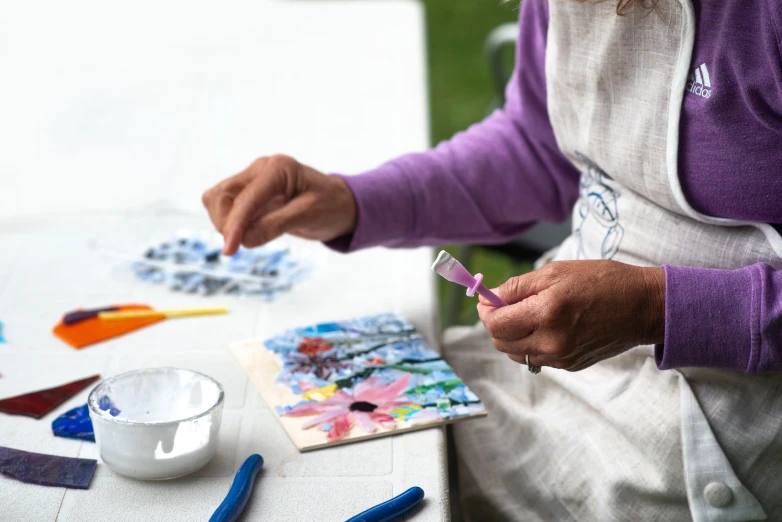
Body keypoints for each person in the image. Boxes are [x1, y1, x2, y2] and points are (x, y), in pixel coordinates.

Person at [203, 0, 782, 519]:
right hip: (575, 379)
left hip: (727, 414)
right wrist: (352, 201)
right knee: (311, 450)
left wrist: (655, 307)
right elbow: (537, 148)